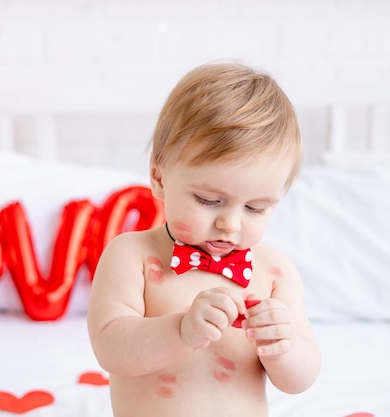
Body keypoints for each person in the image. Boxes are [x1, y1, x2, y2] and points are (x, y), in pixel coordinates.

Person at [87, 61, 321, 417]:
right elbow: (110, 348)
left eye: (255, 208)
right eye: (209, 200)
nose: (230, 223)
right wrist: (180, 331)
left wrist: (284, 347)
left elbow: (300, 379)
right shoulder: (131, 255)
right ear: (160, 177)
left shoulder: (275, 272)